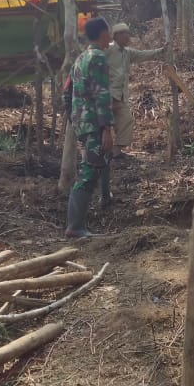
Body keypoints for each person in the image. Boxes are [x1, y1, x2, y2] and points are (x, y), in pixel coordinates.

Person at [64, 17, 115, 238]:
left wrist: (75, 118)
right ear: (102, 33)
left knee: (95, 166)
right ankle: (75, 227)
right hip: (94, 122)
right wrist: (106, 128)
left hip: (83, 122)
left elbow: (67, 91)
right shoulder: (98, 57)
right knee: (89, 173)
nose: (110, 35)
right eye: (109, 31)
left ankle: (79, 224)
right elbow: (102, 94)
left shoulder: (80, 59)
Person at [105, 22, 166, 160]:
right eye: (125, 35)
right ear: (117, 36)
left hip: (120, 95)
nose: (128, 38)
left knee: (126, 120)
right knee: (103, 124)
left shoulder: (127, 52)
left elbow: (144, 55)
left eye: (128, 34)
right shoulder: (107, 50)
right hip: (106, 95)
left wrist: (162, 51)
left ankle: (116, 152)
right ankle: (99, 153)